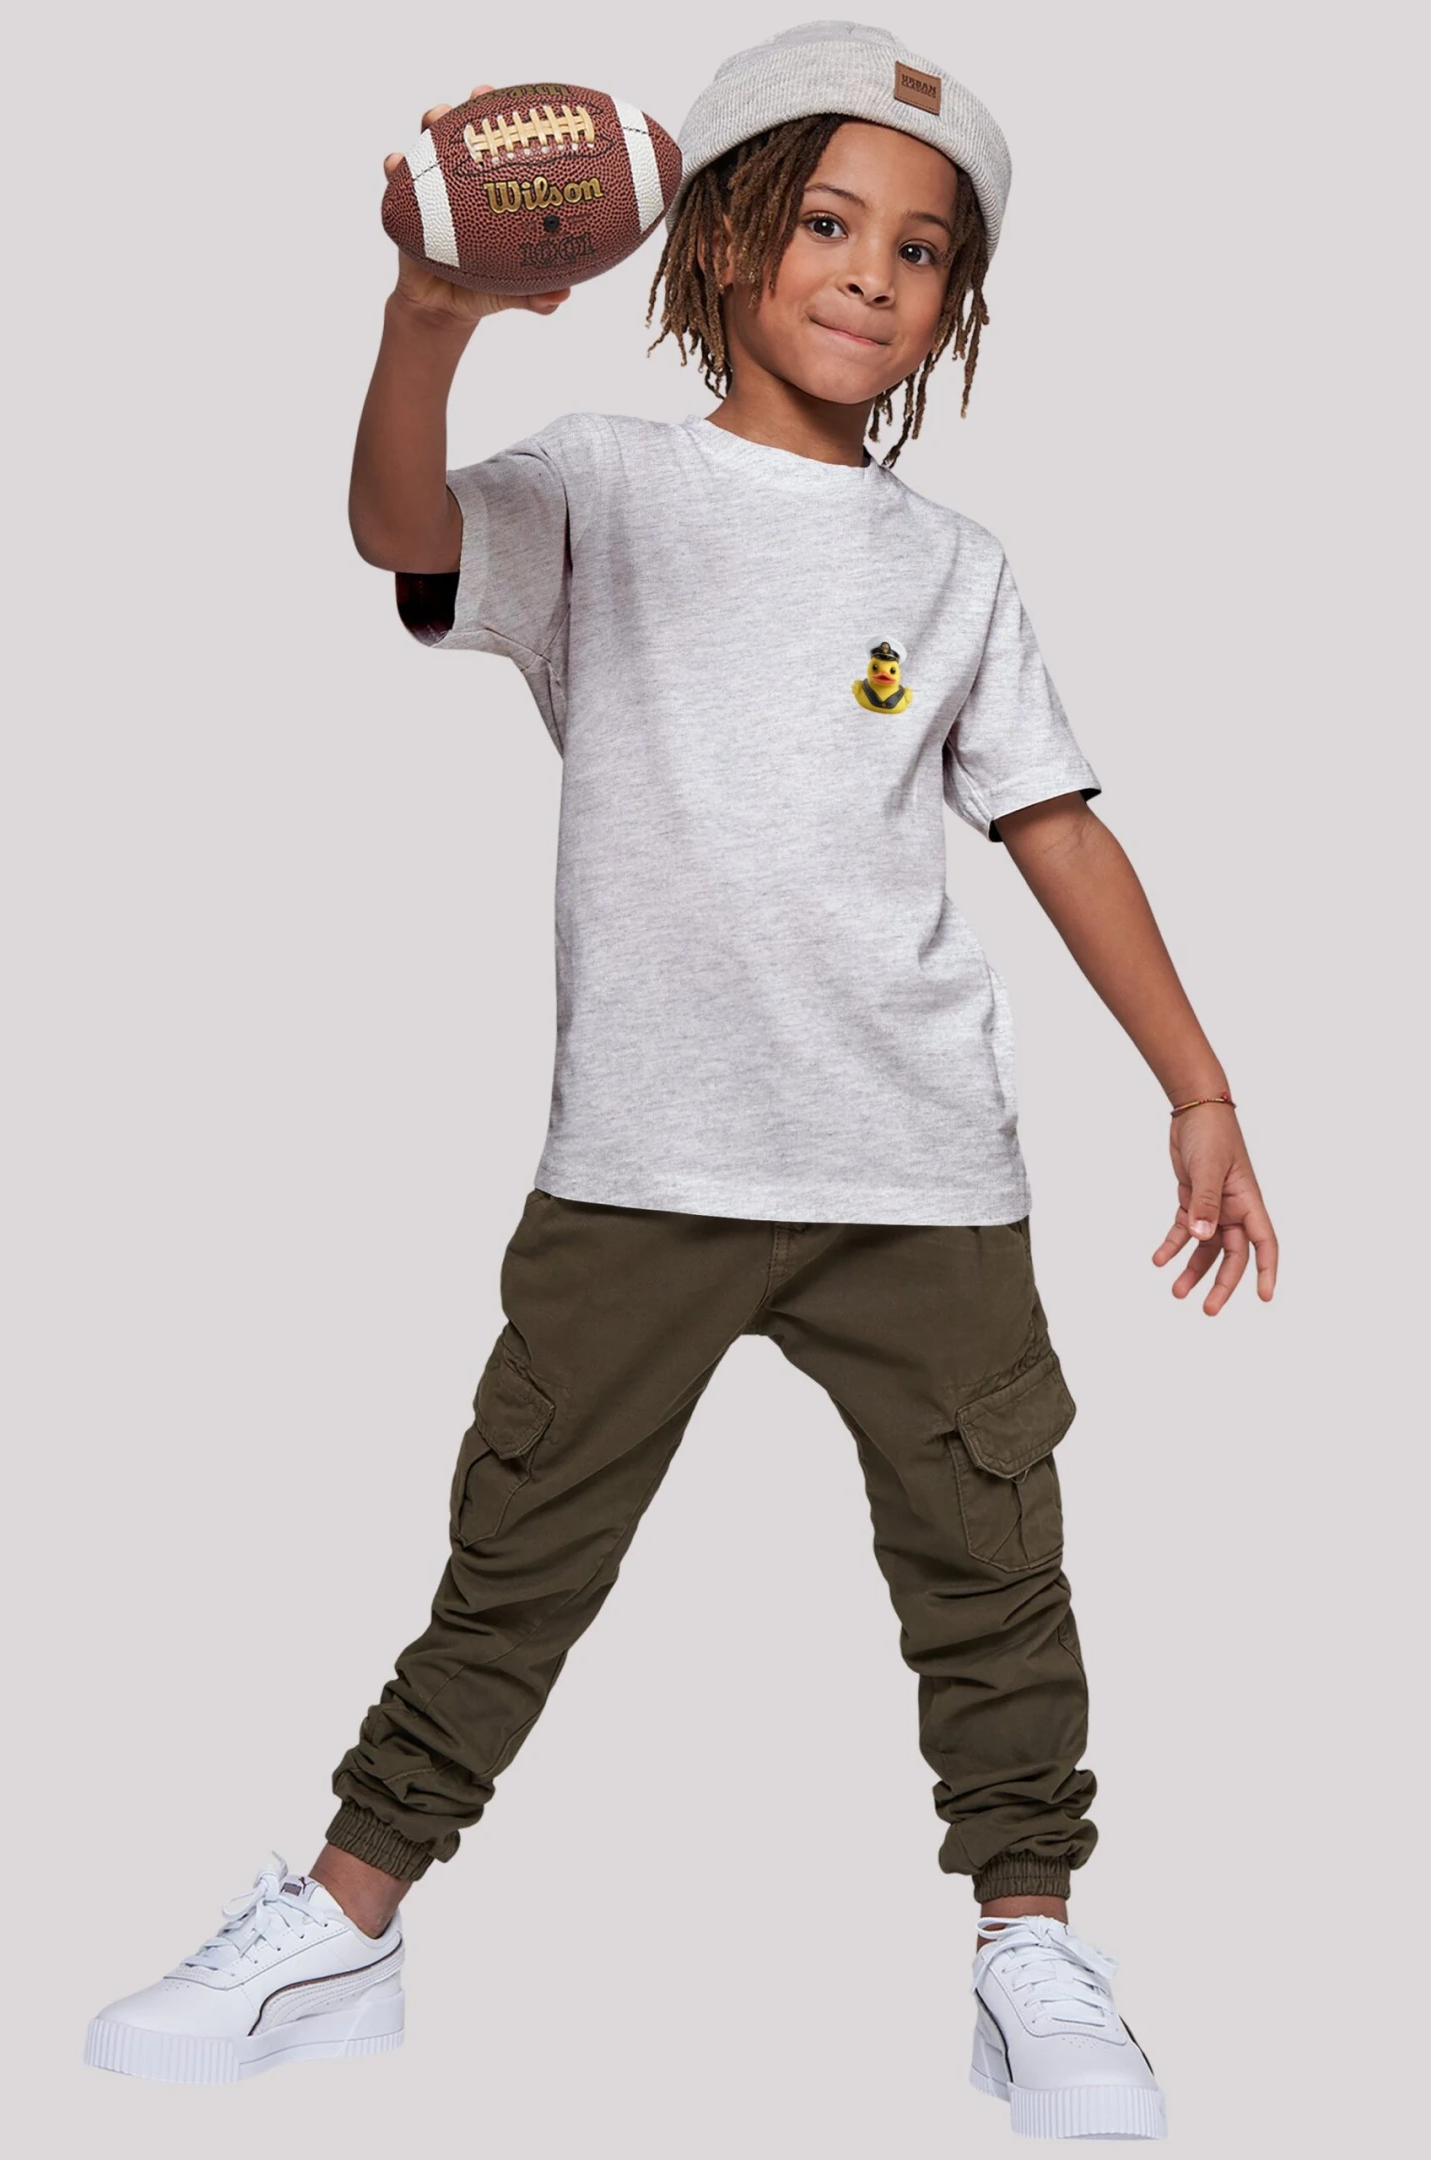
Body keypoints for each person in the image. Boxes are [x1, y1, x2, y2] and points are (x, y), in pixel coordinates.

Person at [84, 22, 1277, 2138]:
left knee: (994, 1572)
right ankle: (345, 1924)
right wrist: (429, 318)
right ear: (718, 240)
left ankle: (1031, 1944)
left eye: (920, 248)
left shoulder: (955, 569)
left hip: (921, 1175)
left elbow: (1059, 831)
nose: (869, 270)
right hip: (645, 1163)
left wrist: (1197, 1087)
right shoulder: (601, 490)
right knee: (517, 1556)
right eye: (824, 220)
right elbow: (397, 528)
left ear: (953, 305)